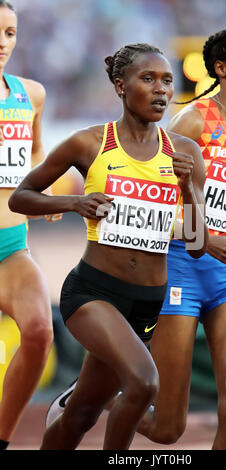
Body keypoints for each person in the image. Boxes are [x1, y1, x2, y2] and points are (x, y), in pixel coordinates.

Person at [44, 27, 226, 450]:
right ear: (221, 68)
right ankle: (97, 395)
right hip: (180, 268)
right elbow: (154, 205)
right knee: (166, 429)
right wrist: (202, 239)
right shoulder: (193, 120)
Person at [9, 43, 208, 450]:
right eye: (147, 79)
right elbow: (21, 197)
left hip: (147, 302)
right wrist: (74, 203)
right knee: (143, 382)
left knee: (81, 412)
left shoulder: (185, 153)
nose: (160, 90)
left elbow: (198, 244)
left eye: (167, 81)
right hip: (93, 292)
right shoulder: (89, 143)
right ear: (120, 85)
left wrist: (187, 189)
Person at [0, 1, 62, 450]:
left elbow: (35, 155)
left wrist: (45, 188)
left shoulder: (31, 94)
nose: (3, 43)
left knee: (39, 332)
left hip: (10, 247)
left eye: (9, 33)